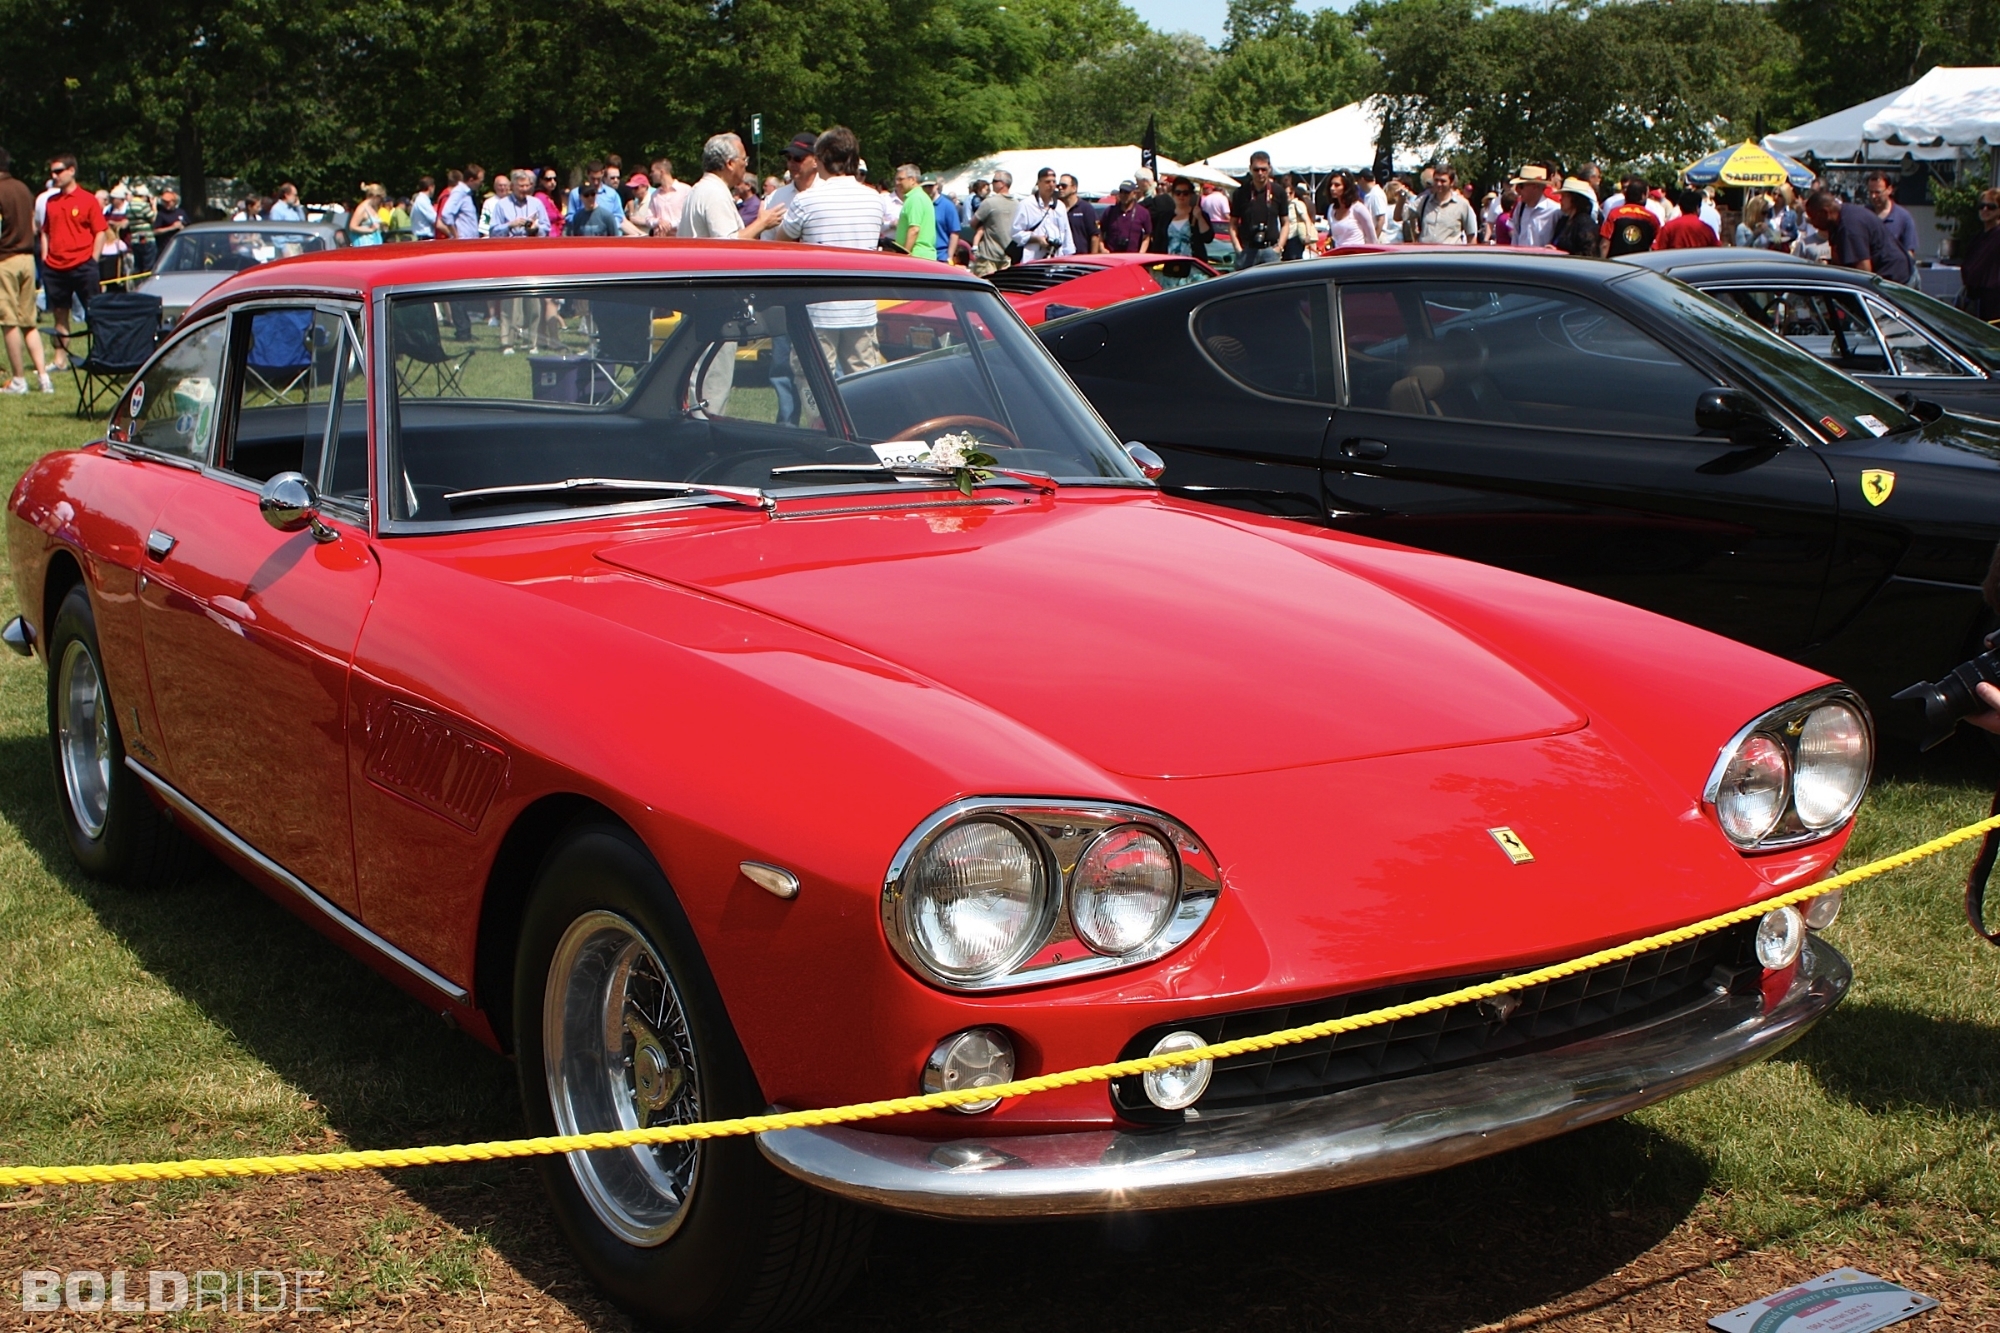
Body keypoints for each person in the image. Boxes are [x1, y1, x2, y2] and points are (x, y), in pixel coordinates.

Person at [775, 126, 886, 375]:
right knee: (865, 386)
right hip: (862, 307)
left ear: (821, 158)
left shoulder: (806, 200)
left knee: (815, 389)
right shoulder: (875, 199)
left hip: (818, 310)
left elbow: (781, 245)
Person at [38, 155, 105, 370]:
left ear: (72, 171)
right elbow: (45, 232)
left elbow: (100, 231)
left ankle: (100, 354)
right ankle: (60, 359)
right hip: (55, 267)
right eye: (52, 172)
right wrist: (45, 257)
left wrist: (92, 260)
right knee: (59, 314)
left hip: (83, 265)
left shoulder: (87, 199)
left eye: (58, 171)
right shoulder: (51, 202)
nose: (54, 176)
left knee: (94, 312)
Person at [0, 147, 52, 394]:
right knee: (28, 321)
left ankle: (19, 379)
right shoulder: (22, 188)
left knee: (8, 321)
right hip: (27, 259)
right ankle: (43, 377)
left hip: (6, 260)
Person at [1805, 189, 1912, 283]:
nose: (1812, 223)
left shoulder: (1849, 227)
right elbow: (1839, 261)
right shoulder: (1837, 222)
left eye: (1813, 218)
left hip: (1896, 281)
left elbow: (1864, 274)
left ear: (1825, 213)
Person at [679, 133, 764, 239]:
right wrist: (762, 222)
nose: (746, 165)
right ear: (730, 164)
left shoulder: (699, 189)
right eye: (744, 160)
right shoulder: (715, 193)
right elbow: (727, 245)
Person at [1149, 177, 1214, 285]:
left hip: (1193, 270)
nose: (1181, 196)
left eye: (1185, 193)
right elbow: (1158, 242)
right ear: (1172, 194)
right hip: (1170, 269)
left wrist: (1199, 217)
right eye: (1178, 193)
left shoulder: (1198, 215)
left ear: (1191, 195)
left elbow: (1208, 237)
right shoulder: (1165, 217)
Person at [1229, 151, 1285, 269]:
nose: (1260, 173)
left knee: (1272, 287)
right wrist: (1238, 248)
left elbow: (1286, 222)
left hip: (1270, 250)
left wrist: (1279, 247)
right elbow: (1233, 224)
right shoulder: (1240, 193)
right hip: (1247, 250)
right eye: (1256, 169)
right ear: (1250, 169)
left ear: (1269, 169)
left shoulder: (1278, 191)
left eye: (1263, 169)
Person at [1402, 164, 1477, 244]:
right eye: (1436, 180)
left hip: (1450, 255)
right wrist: (1401, 198)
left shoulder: (1462, 204)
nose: (1438, 184)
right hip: (1426, 254)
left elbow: (1471, 235)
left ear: (1451, 183)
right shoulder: (1424, 200)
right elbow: (1399, 216)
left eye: (1443, 181)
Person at [1864, 170, 1919, 278]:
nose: (1874, 196)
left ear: (1889, 190)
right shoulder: (1864, 215)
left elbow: (1909, 254)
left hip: (1895, 279)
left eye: (1878, 192)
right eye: (1870, 192)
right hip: (1870, 277)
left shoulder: (1903, 218)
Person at [1011, 167, 1072, 262]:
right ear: (1039, 183)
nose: (1051, 185)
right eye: (1047, 182)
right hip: (1033, 260)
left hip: (1057, 260)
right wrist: (1037, 239)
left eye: (1054, 182)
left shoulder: (1060, 206)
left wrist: (1069, 257)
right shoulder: (1026, 204)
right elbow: (1016, 233)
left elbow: (1067, 234)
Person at [1957, 189, 2000, 319]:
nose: (1985, 210)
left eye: (1991, 207)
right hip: (1976, 298)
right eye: (1982, 206)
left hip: (1995, 300)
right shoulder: (1978, 238)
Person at [970, 169, 1017, 276]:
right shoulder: (1017, 204)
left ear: (1002, 184)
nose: (992, 184)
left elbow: (973, 223)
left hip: (987, 259)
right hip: (1008, 258)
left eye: (994, 181)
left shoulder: (989, 203)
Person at [1600, 177, 1660, 257]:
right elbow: (1656, 246)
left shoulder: (1615, 214)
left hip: (1616, 263)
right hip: (1640, 265)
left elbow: (1604, 244)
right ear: (1643, 196)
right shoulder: (1652, 219)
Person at [1507, 165, 1561, 247]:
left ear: (1535, 187)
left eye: (1521, 186)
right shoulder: (1520, 208)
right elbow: (1515, 236)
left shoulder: (1555, 211)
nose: (1517, 190)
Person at [892, 164, 936, 258]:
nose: (897, 183)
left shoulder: (915, 198)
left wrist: (904, 255)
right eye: (896, 179)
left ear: (912, 180)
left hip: (917, 255)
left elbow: (914, 229)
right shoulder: (919, 196)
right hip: (920, 255)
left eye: (900, 179)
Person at [1652, 189, 1720, 249]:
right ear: (1697, 208)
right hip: (1700, 263)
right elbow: (1716, 251)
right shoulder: (1707, 229)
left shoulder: (1668, 228)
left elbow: (1657, 249)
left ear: (1680, 208)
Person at [1324, 171, 1376, 247]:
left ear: (1346, 187)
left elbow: (1372, 239)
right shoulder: (1331, 209)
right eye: (1331, 185)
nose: (1332, 188)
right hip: (1338, 255)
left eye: (1337, 185)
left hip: (1356, 255)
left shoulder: (1358, 208)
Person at [1058, 173, 1103, 256]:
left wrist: (1092, 258)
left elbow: (1095, 236)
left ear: (1074, 188)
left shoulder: (1086, 208)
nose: (1060, 188)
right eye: (1058, 186)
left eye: (1064, 186)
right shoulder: (1057, 208)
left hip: (1081, 259)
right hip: (1062, 258)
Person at [1553, 177, 1599, 256]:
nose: (1561, 199)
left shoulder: (1585, 223)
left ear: (1574, 199)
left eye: (1564, 196)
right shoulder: (1563, 221)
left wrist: (1559, 253)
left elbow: (1588, 254)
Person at [1101, 180, 1149, 254]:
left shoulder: (1143, 213)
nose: (1123, 195)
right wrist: (1102, 248)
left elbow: (1147, 236)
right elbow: (1100, 232)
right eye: (1121, 192)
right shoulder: (1110, 211)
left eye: (1127, 193)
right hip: (1112, 255)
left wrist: (1141, 253)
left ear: (1134, 194)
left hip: (1133, 257)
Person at [648, 158, 691, 236]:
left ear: (661, 172)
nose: (651, 174)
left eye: (653, 171)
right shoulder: (655, 195)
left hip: (680, 239)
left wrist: (671, 224)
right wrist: (658, 222)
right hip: (660, 240)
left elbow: (689, 217)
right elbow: (648, 218)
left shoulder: (685, 190)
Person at [440, 165, 483, 240]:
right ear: (471, 180)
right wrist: (456, 236)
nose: (481, 184)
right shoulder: (459, 192)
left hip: (470, 240)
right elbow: (446, 213)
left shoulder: (467, 194)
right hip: (463, 241)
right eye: (480, 181)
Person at [124, 183, 156, 277]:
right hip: (147, 238)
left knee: (138, 265)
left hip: (135, 238)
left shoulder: (129, 206)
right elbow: (153, 218)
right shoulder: (143, 205)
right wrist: (154, 207)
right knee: (148, 264)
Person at [926, 176, 958, 263]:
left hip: (941, 256)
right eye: (924, 187)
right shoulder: (922, 204)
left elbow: (954, 232)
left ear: (936, 186)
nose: (927, 189)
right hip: (924, 255)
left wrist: (949, 257)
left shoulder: (947, 205)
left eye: (930, 186)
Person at [1283, 180, 1315, 259]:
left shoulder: (1298, 203)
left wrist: (1308, 235)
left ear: (1293, 193)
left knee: (1294, 259)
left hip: (1295, 237)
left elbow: (1307, 219)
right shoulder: (1284, 205)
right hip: (1286, 238)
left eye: (1290, 193)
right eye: (1285, 193)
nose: (1288, 195)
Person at [410, 175, 438, 240]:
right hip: (425, 238)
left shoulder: (421, 200)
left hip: (423, 237)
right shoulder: (422, 201)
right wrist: (450, 233)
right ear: (430, 187)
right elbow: (435, 221)